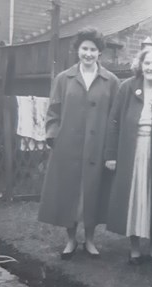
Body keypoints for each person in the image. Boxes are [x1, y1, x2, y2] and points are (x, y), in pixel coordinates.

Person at [38, 27, 120, 260]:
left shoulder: (111, 80)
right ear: (77, 51)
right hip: (68, 147)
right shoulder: (64, 79)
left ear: (99, 53)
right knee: (70, 193)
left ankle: (91, 240)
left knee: (92, 193)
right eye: (84, 48)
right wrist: (53, 136)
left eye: (93, 49)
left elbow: (115, 117)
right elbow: (53, 111)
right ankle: (71, 240)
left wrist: (110, 148)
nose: (88, 53)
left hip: (97, 147)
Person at [104, 46, 152, 264]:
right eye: (147, 63)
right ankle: (135, 246)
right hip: (132, 151)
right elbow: (114, 121)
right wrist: (111, 154)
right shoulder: (127, 87)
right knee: (134, 196)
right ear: (140, 66)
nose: (151, 67)